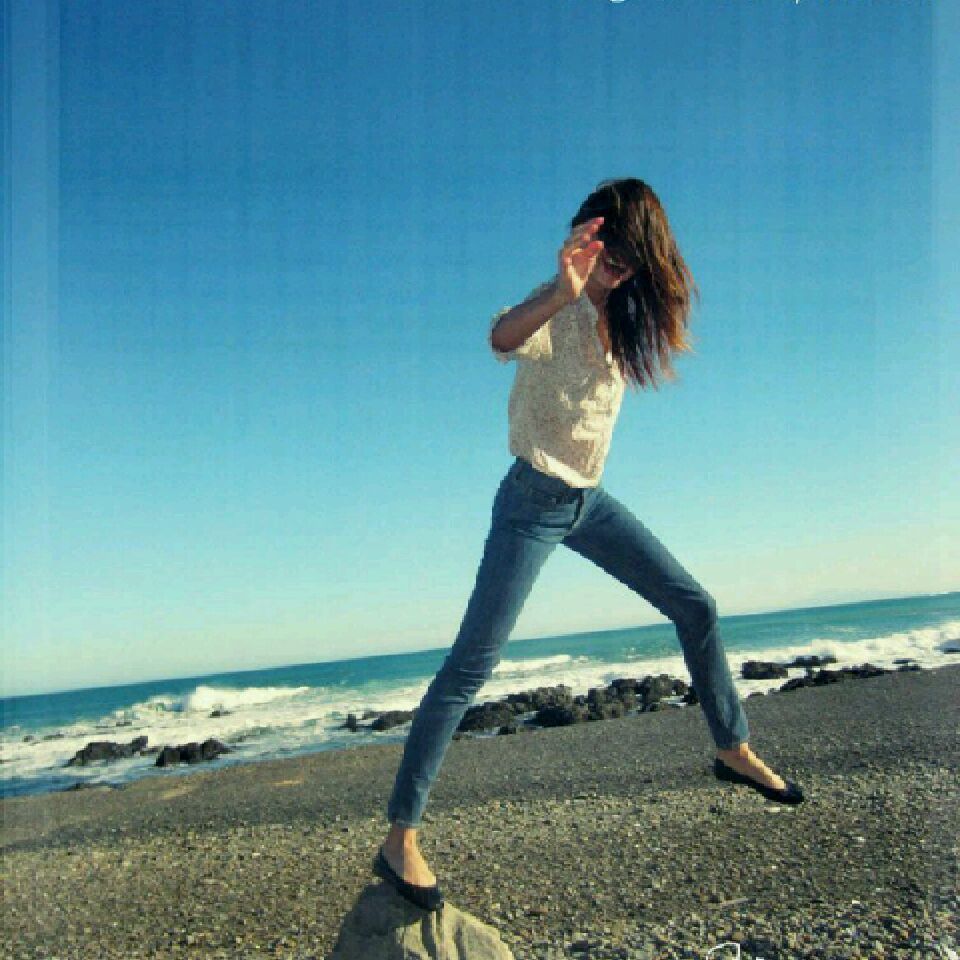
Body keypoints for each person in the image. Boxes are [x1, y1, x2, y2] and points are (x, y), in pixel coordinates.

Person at [372, 178, 805, 912]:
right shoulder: (558, 306)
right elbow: (500, 336)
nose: (607, 267)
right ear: (579, 243)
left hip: (590, 503)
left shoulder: (627, 317)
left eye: (621, 257)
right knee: (471, 665)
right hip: (530, 503)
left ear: (639, 260)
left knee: (695, 605)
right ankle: (400, 836)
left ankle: (731, 748)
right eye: (597, 250)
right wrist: (561, 288)